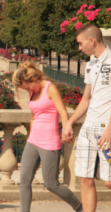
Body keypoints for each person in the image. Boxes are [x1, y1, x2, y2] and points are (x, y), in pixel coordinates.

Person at [12, 62, 82, 212]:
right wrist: (30, 137)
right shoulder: (33, 91)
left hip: (49, 142)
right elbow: (33, 116)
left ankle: (80, 207)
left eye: (27, 87)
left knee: (51, 184)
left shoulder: (51, 88)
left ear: (35, 79)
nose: (27, 90)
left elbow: (63, 112)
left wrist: (65, 129)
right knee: (24, 180)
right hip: (33, 142)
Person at [62, 24, 111, 212]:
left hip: (106, 130)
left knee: (108, 182)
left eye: (80, 43)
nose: (79, 48)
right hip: (88, 129)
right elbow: (85, 100)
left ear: (92, 40)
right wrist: (69, 122)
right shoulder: (90, 65)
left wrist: (109, 130)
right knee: (85, 178)